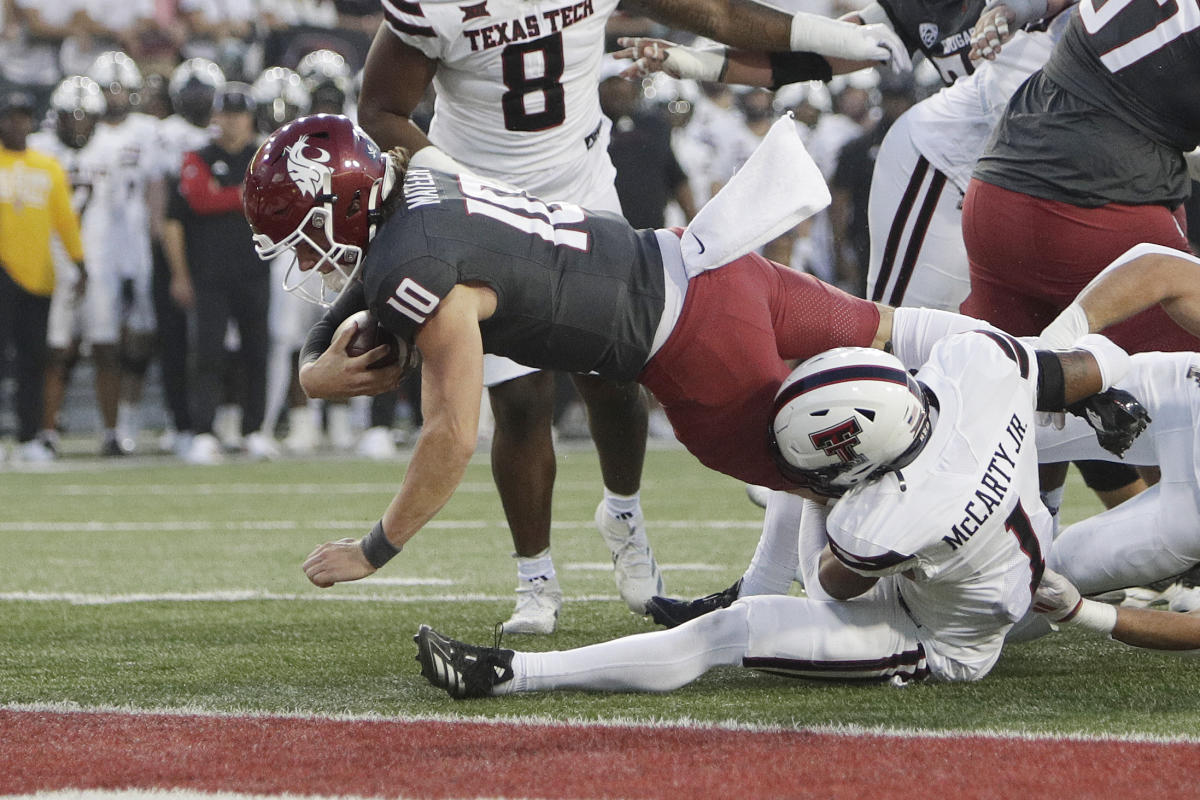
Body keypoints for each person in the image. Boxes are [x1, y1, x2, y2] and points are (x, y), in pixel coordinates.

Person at [243, 115, 1141, 604]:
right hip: (713, 262)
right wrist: (319, 370)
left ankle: (1026, 569)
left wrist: (376, 548)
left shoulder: (417, 274)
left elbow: (451, 433)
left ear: (345, 207)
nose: (304, 261)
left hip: (691, 353)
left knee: (858, 482)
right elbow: (392, 287)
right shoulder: (424, 181)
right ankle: (1076, 375)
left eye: (300, 237)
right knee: (896, 332)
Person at [354, 0, 909, 634]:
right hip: (479, 204)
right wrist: (456, 184)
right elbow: (380, 111)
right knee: (522, 400)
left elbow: (721, 15)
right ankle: (535, 578)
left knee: (618, 376)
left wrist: (838, 38)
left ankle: (623, 512)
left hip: (580, 189)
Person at [411, 341, 1199, 700]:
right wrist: (1107, 397)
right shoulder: (978, 369)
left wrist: (816, 495)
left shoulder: (892, 511)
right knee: (800, 483)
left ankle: (513, 676)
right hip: (993, 554)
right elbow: (1091, 359)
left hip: (939, 640)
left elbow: (834, 594)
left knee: (734, 630)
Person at [165, 82, 275, 465]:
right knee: (206, 353)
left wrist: (226, 195)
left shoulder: (264, 158)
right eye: (226, 114)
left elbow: (275, 200)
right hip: (208, 272)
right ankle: (203, 430)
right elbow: (196, 200)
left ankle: (254, 429)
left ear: (250, 117)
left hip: (255, 268)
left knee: (256, 351)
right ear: (215, 117)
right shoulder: (198, 156)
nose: (232, 122)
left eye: (239, 114)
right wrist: (242, 195)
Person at [0, 90, 86, 463]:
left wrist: (80, 261)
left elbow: (65, 220)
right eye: (9, 117)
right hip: (2, 270)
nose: (16, 124)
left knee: (34, 359)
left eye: (22, 117)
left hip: (38, 275)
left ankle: (30, 436)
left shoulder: (47, 166)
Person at [28, 75, 110, 458]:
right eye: (70, 117)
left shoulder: (112, 146)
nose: (78, 124)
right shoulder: (38, 150)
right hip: (54, 262)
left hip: (100, 257)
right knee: (55, 350)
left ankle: (113, 431)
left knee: (107, 347)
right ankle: (47, 430)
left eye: (85, 117)